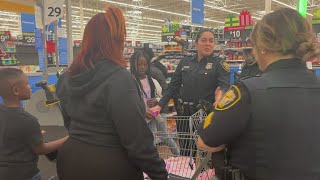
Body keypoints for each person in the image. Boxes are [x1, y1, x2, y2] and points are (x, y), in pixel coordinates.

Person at [197, 8, 320, 180]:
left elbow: (206, 141)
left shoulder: (247, 92)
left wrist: (220, 107)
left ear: (264, 47)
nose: (253, 52)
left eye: (254, 45)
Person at [55, 5, 167, 180]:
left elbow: (69, 123)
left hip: (70, 160)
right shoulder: (120, 79)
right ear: (117, 41)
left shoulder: (67, 77)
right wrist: (160, 174)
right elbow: (137, 140)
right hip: (110, 166)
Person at [151, 28, 230, 157]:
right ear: (196, 43)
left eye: (211, 41)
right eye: (204, 40)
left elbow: (225, 84)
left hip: (206, 116)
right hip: (185, 115)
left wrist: (220, 97)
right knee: (186, 154)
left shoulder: (219, 64)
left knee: (207, 157)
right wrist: (160, 105)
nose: (208, 44)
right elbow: (173, 86)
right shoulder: (185, 62)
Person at [0, 68, 68, 180]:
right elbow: (41, 149)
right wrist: (68, 138)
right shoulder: (27, 120)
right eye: (27, 84)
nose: (30, 87)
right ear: (16, 90)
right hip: (26, 174)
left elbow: (9, 132)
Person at [130, 51, 180, 156]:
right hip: (138, 116)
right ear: (133, 64)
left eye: (145, 64)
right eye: (139, 64)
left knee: (151, 142)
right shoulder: (130, 81)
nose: (142, 67)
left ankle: (175, 156)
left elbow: (161, 94)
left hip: (151, 116)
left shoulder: (151, 80)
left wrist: (156, 100)